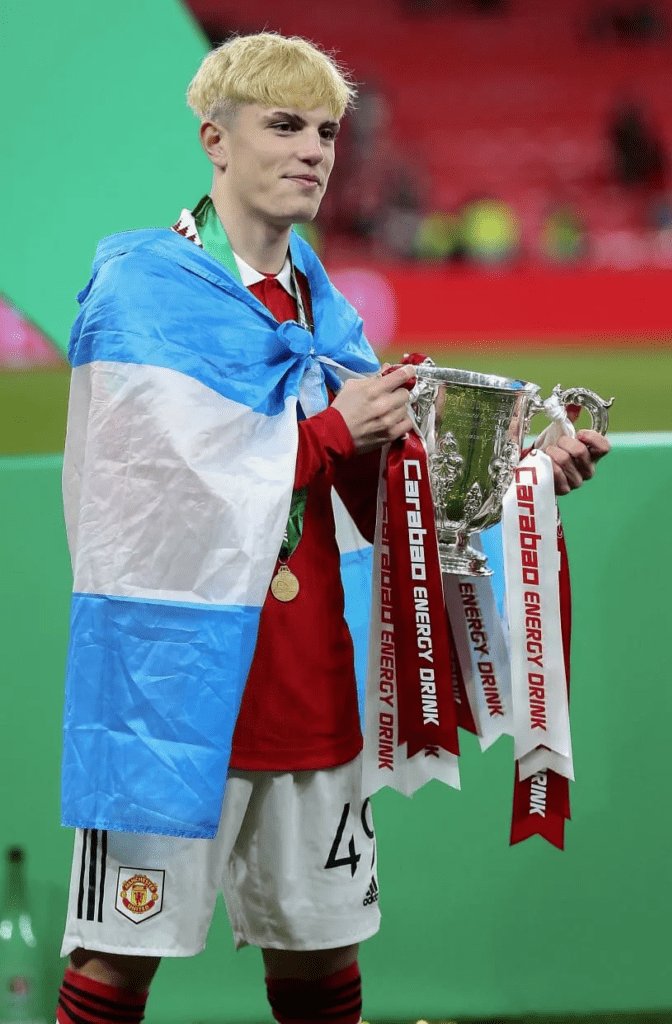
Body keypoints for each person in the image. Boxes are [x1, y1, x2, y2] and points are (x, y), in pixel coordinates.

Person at [55, 31, 610, 1024]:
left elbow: (379, 492)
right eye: (284, 126)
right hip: (172, 692)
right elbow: (142, 500)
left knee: (321, 956)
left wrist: (518, 482)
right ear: (215, 139)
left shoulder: (324, 306)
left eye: (325, 131)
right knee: (117, 959)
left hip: (308, 676)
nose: (312, 150)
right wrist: (330, 430)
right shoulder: (139, 287)